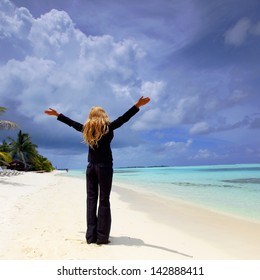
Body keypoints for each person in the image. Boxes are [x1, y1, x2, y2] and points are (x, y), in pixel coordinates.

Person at [44, 96, 150, 244]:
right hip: (105, 167)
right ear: (103, 115)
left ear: (91, 116)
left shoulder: (86, 129)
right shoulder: (109, 127)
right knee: (104, 200)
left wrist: (58, 115)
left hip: (90, 168)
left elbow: (72, 124)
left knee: (91, 200)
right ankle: (102, 237)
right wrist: (137, 105)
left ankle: (90, 236)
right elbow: (124, 118)